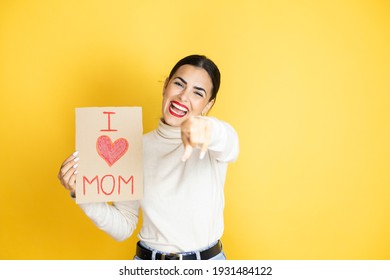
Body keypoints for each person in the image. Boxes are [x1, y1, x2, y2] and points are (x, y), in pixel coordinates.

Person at [58, 54, 239, 260]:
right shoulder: (132, 147)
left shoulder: (214, 142)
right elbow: (124, 225)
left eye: (198, 93)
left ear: (208, 105)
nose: (183, 97)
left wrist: (205, 129)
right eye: (179, 84)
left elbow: (230, 143)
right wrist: (82, 193)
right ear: (165, 87)